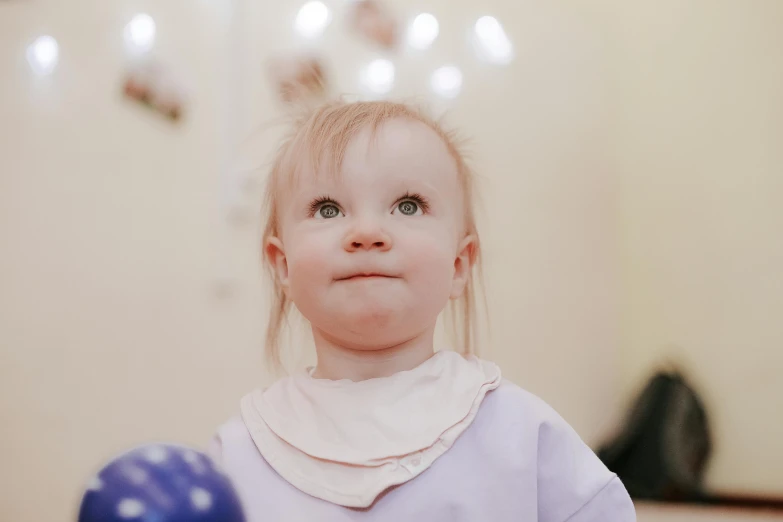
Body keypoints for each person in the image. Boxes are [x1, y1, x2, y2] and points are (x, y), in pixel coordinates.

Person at [208, 100, 636, 521]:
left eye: (408, 205)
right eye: (328, 209)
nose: (367, 232)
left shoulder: (521, 433)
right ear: (283, 264)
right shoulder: (240, 453)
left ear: (458, 265)